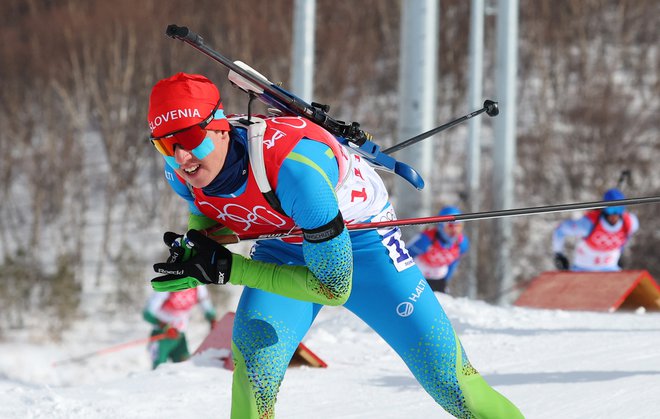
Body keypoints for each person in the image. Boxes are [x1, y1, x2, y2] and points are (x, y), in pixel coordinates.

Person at [146, 72, 523, 418]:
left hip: (365, 247)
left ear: (222, 128)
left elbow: (332, 288)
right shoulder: (180, 172)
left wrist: (229, 268)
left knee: (451, 384)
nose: (181, 157)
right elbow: (207, 207)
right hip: (283, 241)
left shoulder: (296, 172)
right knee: (253, 376)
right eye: (165, 144)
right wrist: (195, 249)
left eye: (191, 138)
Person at [552, 188, 639, 271]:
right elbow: (561, 229)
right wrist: (558, 254)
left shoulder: (630, 223)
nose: (615, 214)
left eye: (619, 209)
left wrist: (621, 252)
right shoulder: (588, 224)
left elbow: (626, 238)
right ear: (604, 209)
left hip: (610, 270)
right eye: (611, 209)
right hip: (583, 269)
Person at [143, 286, 217, 369]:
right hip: (162, 336)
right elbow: (147, 313)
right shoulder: (167, 284)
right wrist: (166, 326)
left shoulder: (198, 285)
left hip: (180, 336)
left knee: (184, 368)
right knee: (158, 369)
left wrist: (212, 320)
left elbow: (206, 305)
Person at [407, 206, 470, 293]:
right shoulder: (426, 239)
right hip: (418, 277)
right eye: (450, 226)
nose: (454, 230)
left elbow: (453, 264)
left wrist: (445, 281)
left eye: (458, 226)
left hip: (439, 280)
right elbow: (405, 256)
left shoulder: (462, 243)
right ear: (441, 226)